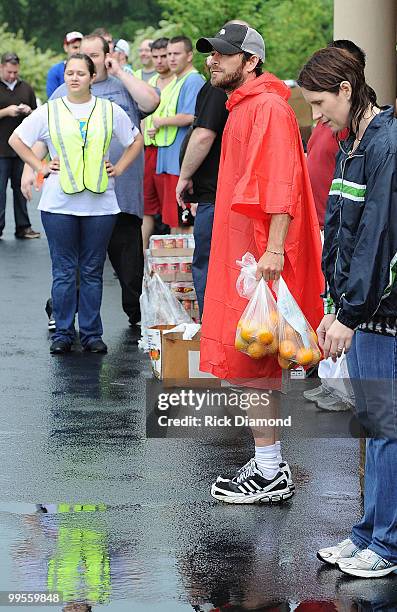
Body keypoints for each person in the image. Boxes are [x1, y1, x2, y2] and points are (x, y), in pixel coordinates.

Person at [196, 23, 323, 503]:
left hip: (259, 256)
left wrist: (272, 252)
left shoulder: (267, 107)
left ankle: (270, 470)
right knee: (252, 358)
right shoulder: (249, 105)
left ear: (250, 62)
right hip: (248, 253)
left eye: (224, 55)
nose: (213, 61)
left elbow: (278, 186)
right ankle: (267, 460)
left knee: (254, 362)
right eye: (212, 54)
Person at [298, 47, 397, 579]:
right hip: (363, 309)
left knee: (386, 428)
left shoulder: (385, 143)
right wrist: (332, 303)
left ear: (346, 89)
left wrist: (350, 313)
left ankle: (385, 543)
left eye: (319, 103)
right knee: (377, 426)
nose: (316, 116)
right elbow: (341, 230)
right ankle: (369, 533)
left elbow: (380, 241)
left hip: (382, 313)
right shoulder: (352, 142)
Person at [9, 53, 144, 354]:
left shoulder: (110, 111)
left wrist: (119, 169)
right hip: (58, 205)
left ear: (92, 77)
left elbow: (136, 140)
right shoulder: (50, 111)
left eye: (81, 73)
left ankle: (92, 334)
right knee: (64, 271)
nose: (73, 78)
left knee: (93, 270)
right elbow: (17, 139)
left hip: (100, 206)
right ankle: (63, 333)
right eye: (69, 72)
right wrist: (40, 166)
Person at [304, 39, 365, 413]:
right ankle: (332, 379)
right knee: (331, 301)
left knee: (345, 305)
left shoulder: (357, 131)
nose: (316, 114)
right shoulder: (332, 120)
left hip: (339, 223)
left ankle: (343, 385)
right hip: (324, 221)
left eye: (318, 103)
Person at [176, 60, 228, 317]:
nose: (211, 60)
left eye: (221, 54)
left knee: (208, 265)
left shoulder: (218, 88)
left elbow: (203, 135)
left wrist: (185, 176)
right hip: (221, 194)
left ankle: (212, 330)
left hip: (216, 196)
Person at [153, 36, 204, 229]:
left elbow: (191, 116)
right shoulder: (177, 80)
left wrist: (160, 122)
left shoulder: (192, 80)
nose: (171, 59)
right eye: (169, 54)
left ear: (189, 55)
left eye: (176, 54)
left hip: (180, 163)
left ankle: (188, 261)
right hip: (170, 161)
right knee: (174, 221)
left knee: (185, 222)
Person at [0, 52, 39, 239]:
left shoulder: (26, 88)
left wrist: (28, 111)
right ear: (1, 67)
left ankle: (23, 227)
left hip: (21, 149)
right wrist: (6, 111)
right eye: (9, 72)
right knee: (0, 192)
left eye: (15, 72)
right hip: (0, 150)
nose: (12, 76)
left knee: (21, 189)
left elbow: (38, 117)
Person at [142, 37, 175, 249]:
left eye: (164, 56)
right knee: (146, 207)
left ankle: (171, 260)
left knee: (170, 211)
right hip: (147, 151)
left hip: (169, 151)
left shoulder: (180, 82)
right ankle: (141, 257)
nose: (160, 61)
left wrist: (162, 123)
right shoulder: (148, 84)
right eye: (156, 57)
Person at [46, 31, 83, 98]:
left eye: (80, 47)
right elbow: (52, 97)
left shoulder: (89, 69)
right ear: (66, 47)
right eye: (75, 47)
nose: (78, 51)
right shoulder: (55, 71)